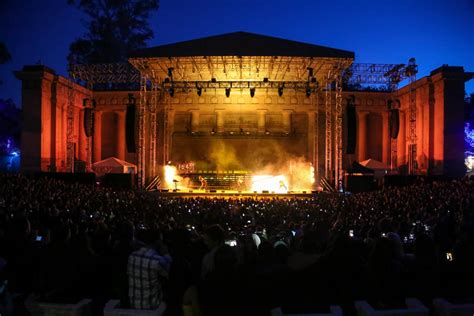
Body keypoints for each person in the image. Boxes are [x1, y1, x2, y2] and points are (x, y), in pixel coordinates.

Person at [128, 229, 172, 310]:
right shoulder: (157, 260)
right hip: (152, 306)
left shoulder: (132, 256)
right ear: (157, 242)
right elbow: (171, 273)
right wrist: (166, 253)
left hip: (133, 305)